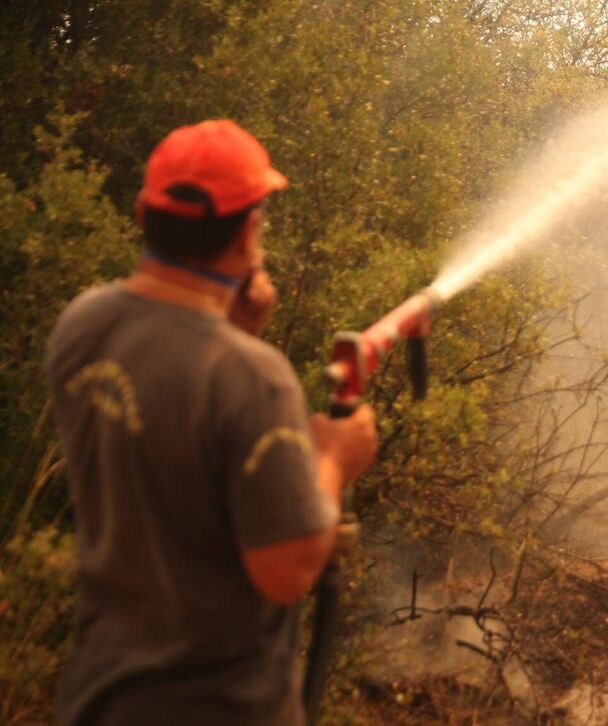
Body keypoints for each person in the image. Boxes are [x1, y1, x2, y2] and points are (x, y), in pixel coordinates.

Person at [44, 120, 378, 725]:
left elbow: (176, 421)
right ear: (249, 230)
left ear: (145, 213)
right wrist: (333, 458)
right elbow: (287, 569)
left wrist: (233, 329)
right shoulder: (252, 379)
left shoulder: (83, 325)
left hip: (100, 697)